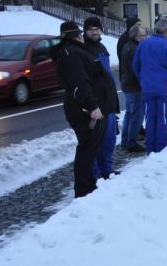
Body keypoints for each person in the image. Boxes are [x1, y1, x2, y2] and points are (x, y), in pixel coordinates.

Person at [52, 21, 116, 198]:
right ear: (78, 36)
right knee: (87, 149)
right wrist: (92, 105)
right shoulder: (72, 53)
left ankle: (89, 185)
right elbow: (79, 83)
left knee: (90, 148)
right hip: (84, 110)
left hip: (86, 107)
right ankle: (84, 189)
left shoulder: (71, 51)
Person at [133, 18, 167, 153]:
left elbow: (135, 65)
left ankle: (150, 148)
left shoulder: (143, 43)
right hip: (164, 89)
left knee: (150, 118)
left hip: (147, 88)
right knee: (163, 118)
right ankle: (160, 149)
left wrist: (143, 79)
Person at [83, 17, 121, 179]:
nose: (94, 32)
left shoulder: (102, 47)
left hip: (109, 101)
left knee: (109, 139)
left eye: (97, 29)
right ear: (85, 31)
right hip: (96, 103)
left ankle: (107, 169)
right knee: (96, 141)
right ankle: (95, 175)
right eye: (90, 29)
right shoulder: (84, 50)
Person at [119, 24, 147, 152]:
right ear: (137, 36)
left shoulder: (128, 45)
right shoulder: (135, 49)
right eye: (143, 35)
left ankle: (125, 141)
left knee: (130, 115)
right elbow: (136, 70)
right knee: (136, 116)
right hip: (135, 87)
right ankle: (131, 142)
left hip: (129, 85)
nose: (145, 37)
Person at [117, 17, 141, 82]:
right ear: (131, 26)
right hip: (127, 75)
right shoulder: (124, 39)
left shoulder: (137, 37)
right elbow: (122, 57)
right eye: (138, 25)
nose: (140, 27)